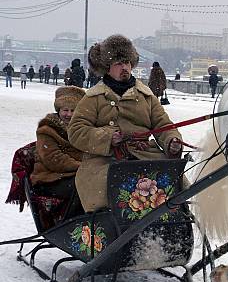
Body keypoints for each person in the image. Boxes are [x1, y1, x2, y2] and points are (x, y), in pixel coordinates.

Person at [68, 34, 183, 213]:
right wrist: (107, 137)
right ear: (107, 68)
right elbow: (76, 131)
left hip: (146, 156)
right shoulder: (92, 98)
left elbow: (163, 125)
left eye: (127, 63)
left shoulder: (146, 96)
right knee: (108, 189)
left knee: (177, 184)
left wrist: (172, 141)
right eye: (118, 64)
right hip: (105, 161)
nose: (125, 68)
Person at [30, 86, 86, 222]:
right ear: (58, 110)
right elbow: (54, 159)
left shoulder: (81, 129)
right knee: (82, 186)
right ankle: (70, 224)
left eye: (73, 111)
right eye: (65, 110)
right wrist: (83, 166)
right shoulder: (47, 130)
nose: (69, 114)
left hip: (73, 174)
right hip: (50, 178)